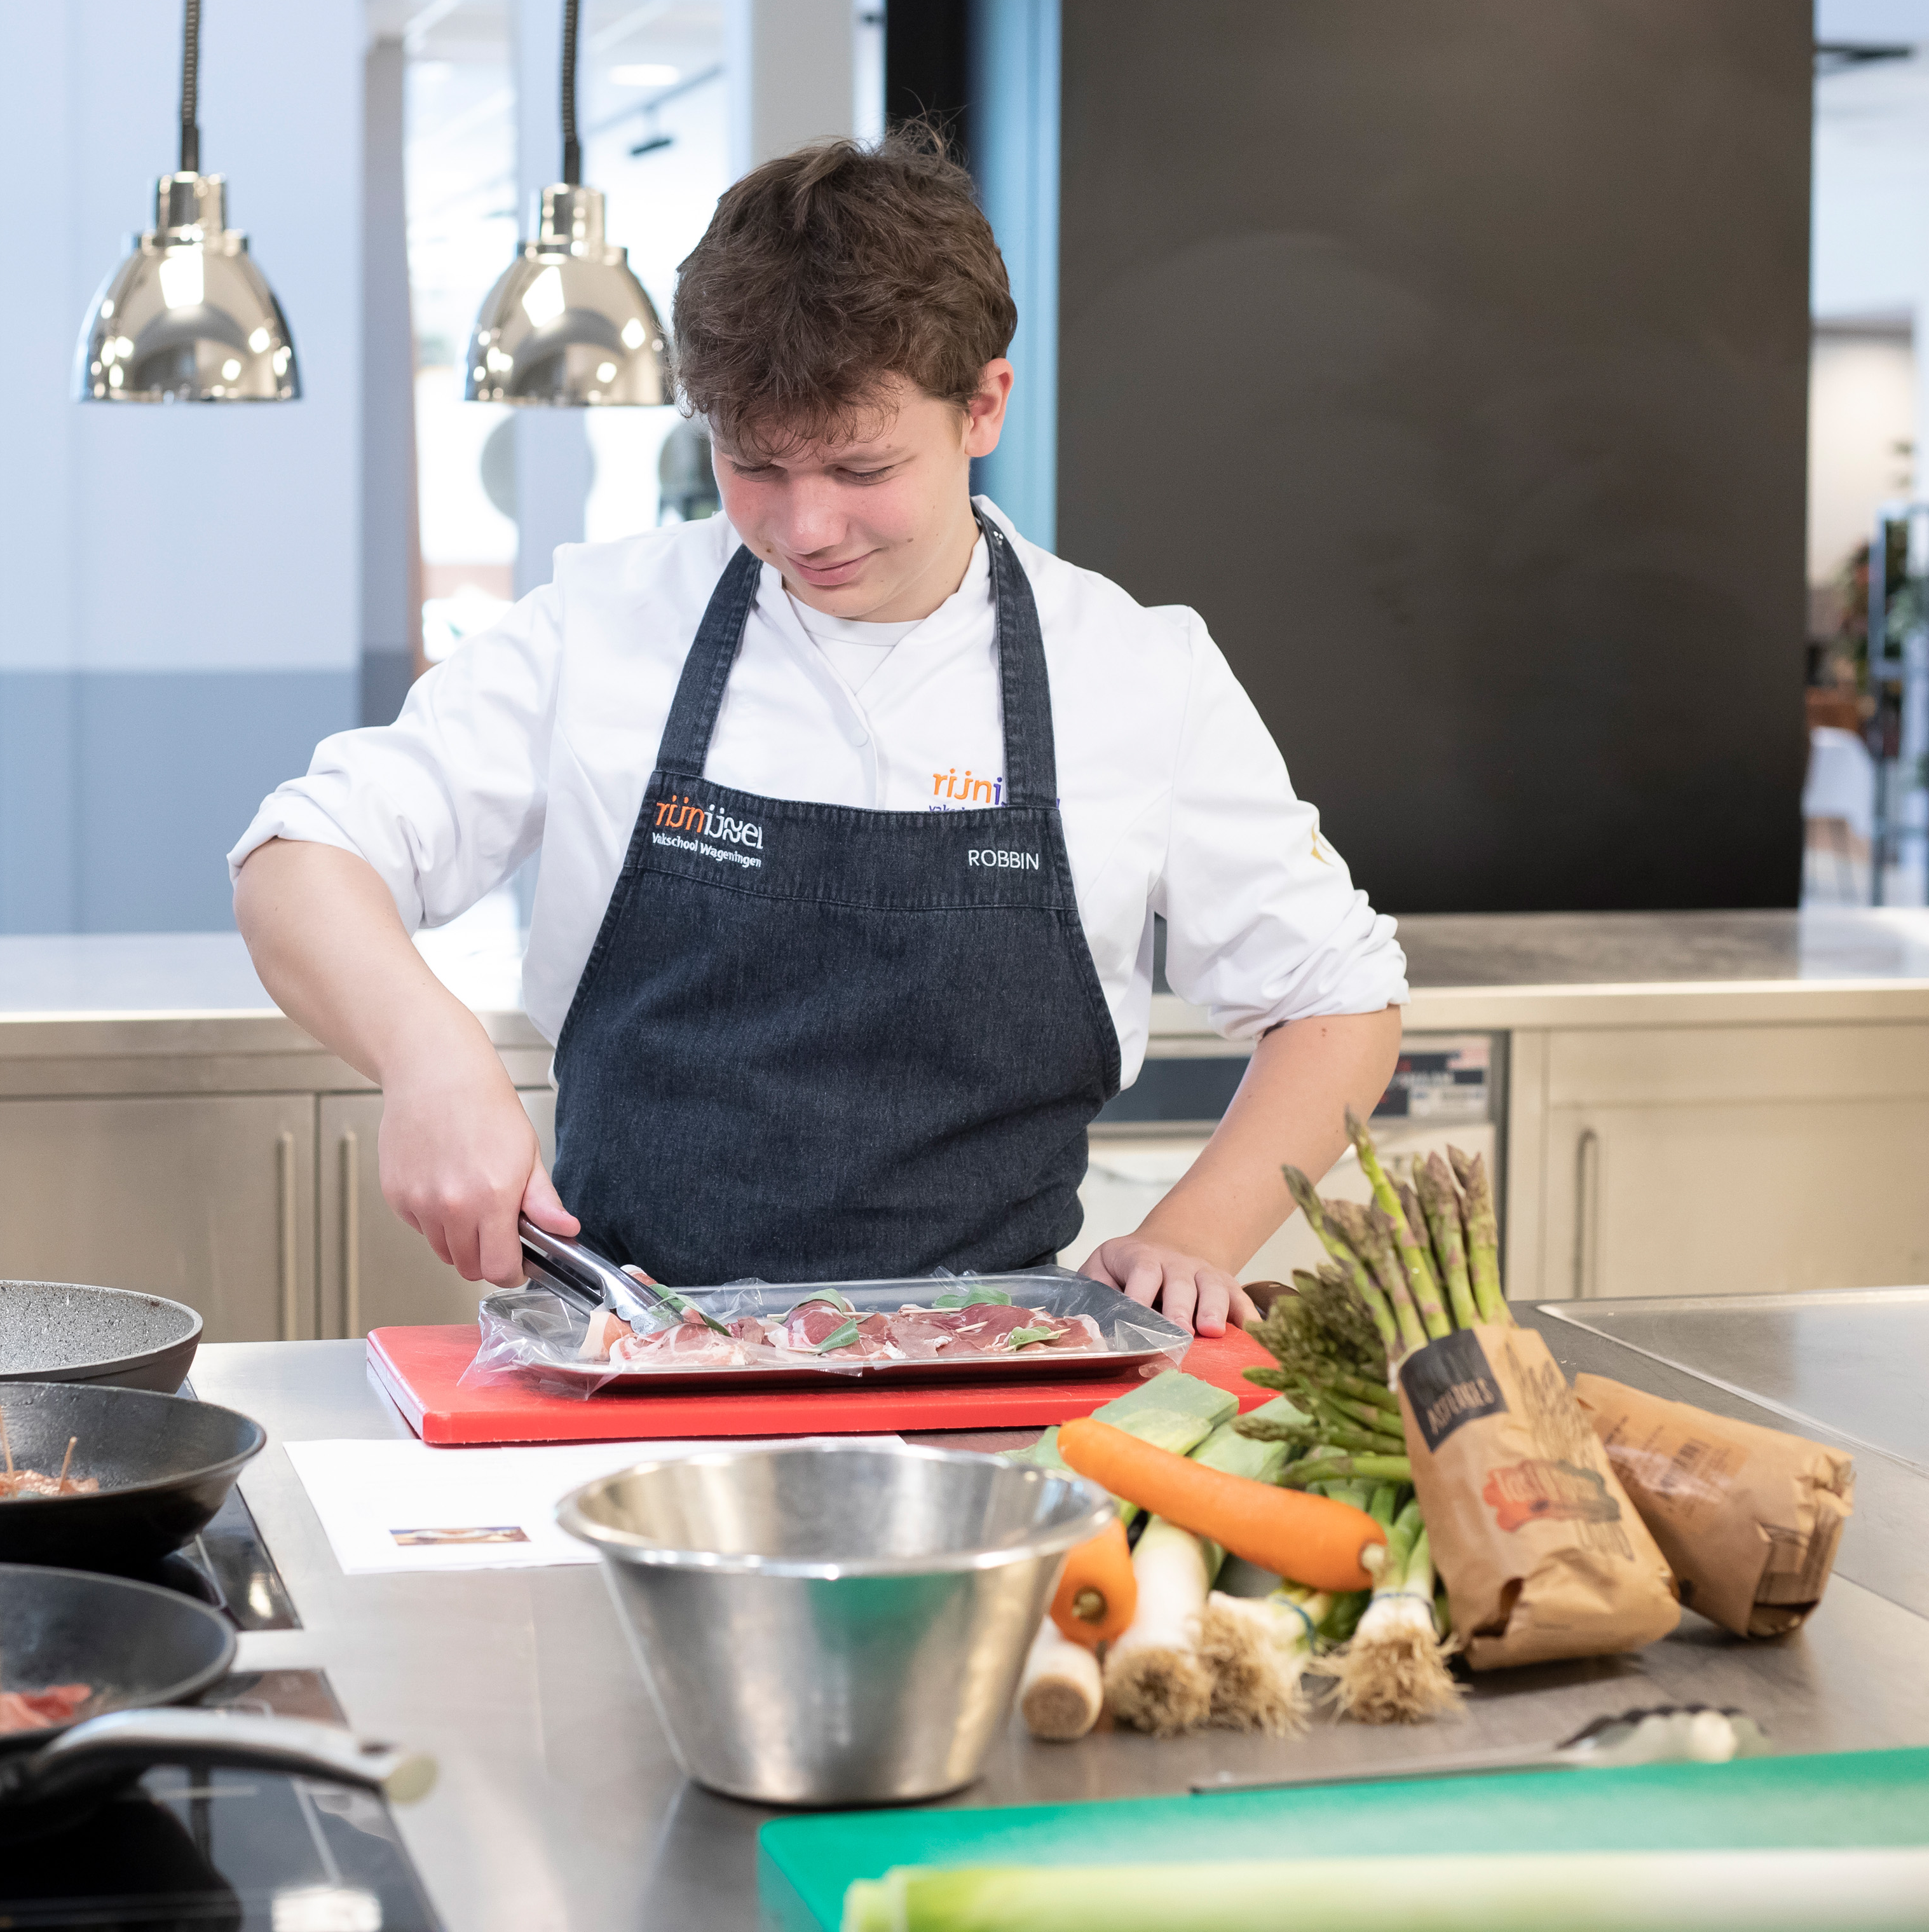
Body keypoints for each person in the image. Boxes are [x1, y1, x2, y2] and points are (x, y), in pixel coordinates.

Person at [230, 130, 1404, 1336]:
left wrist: (1195, 1234)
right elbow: (301, 855)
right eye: (754, 463)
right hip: (629, 1359)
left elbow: (1340, 997)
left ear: (982, 404)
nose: (806, 524)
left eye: (860, 463)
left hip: (989, 1380)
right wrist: (429, 1054)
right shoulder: (609, 625)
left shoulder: (1133, 672)